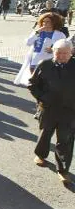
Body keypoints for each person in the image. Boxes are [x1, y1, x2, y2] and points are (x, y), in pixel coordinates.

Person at [28, 39, 75, 185]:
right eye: (58, 52)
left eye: (65, 53)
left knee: (65, 140)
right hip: (48, 108)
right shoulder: (45, 65)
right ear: (53, 51)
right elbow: (32, 84)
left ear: (71, 52)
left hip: (69, 111)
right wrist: (43, 98)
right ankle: (41, 155)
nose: (61, 56)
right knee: (45, 133)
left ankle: (63, 170)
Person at [14, 13, 66, 86]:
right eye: (43, 21)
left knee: (46, 78)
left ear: (54, 23)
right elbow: (28, 43)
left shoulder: (60, 34)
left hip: (49, 59)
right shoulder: (38, 32)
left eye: (48, 22)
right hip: (35, 58)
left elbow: (64, 47)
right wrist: (37, 32)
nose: (45, 23)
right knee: (34, 78)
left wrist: (53, 50)